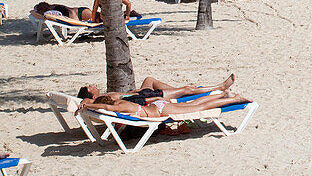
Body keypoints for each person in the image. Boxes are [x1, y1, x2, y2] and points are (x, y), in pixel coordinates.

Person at [78, 91, 248, 120]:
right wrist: (88, 105)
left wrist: (87, 106)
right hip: (160, 106)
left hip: (160, 110)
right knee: (195, 104)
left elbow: (106, 108)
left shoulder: (117, 107)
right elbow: (104, 104)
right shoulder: (118, 101)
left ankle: (235, 99)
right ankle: (223, 95)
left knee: (200, 108)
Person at [77, 74, 236, 103]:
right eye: (89, 87)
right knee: (188, 89)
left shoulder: (103, 97)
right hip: (144, 97)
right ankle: (220, 87)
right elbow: (125, 99)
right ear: (90, 94)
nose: (92, 86)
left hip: (140, 94)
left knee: (149, 79)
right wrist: (136, 92)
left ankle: (177, 91)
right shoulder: (101, 100)